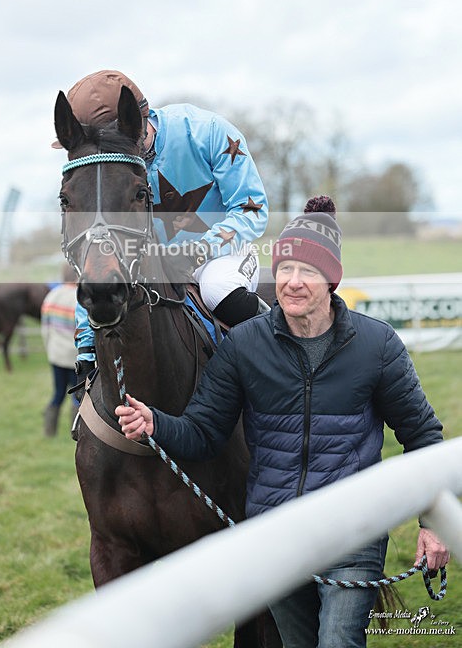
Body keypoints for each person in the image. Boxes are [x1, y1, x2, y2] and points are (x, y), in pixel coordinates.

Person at [115, 195, 450, 648]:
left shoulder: (377, 345)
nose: (292, 282)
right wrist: (156, 424)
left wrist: (434, 522)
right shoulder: (244, 346)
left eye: (307, 271)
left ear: (331, 279)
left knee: (338, 641)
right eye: (285, 269)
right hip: (276, 535)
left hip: (353, 530)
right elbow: (204, 433)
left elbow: (423, 436)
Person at [53, 69, 269, 381]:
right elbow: (98, 255)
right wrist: (86, 341)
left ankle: (284, 357)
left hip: (221, 254)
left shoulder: (208, 132)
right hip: (151, 263)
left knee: (217, 290)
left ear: (136, 123)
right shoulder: (107, 172)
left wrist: (196, 252)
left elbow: (252, 209)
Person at [40, 265, 80, 436]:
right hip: (75, 357)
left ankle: (49, 431)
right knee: (78, 396)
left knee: (58, 393)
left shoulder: (52, 296)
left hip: (56, 354)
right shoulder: (79, 298)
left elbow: (45, 328)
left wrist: (50, 349)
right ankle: (77, 432)